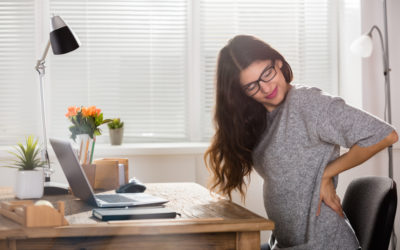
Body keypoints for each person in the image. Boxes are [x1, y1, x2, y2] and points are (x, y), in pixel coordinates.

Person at [204, 35, 398, 250]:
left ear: (278, 62)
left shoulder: (308, 103)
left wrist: (327, 173)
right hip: (285, 243)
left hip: (324, 244)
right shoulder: (261, 117)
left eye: (267, 73)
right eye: (252, 86)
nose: (266, 88)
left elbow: (384, 135)